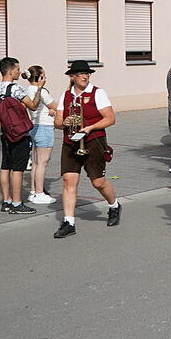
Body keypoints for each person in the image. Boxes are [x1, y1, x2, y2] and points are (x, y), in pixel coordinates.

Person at [53, 60, 121, 238]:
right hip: (71, 141)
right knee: (69, 180)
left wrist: (90, 127)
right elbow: (57, 122)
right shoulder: (66, 95)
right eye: (81, 74)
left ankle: (114, 205)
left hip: (93, 141)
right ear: (72, 77)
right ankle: (69, 222)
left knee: (98, 182)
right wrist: (64, 123)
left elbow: (110, 118)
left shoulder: (98, 93)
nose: (85, 76)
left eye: (87, 74)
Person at [0, 57, 41, 214]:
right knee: (18, 169)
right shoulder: (16, 89)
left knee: (5, 166)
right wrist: (39, 88)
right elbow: (33, 106)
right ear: (10, 71)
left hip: (6, 132)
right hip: (19, 134)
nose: (20, 72)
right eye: (17, 69)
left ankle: (6, 201)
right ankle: (17, 203)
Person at [22, 66, 57, 204]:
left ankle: (33, 191)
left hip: (35, 127)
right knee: (43, 162)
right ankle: (39, 193)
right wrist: (54, 110)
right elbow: (54, 105)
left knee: (36, 162)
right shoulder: (40, 91)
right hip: (45, 127)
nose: (46, 78)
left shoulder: (28, 90)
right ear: (40, 78)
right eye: (44, 75)